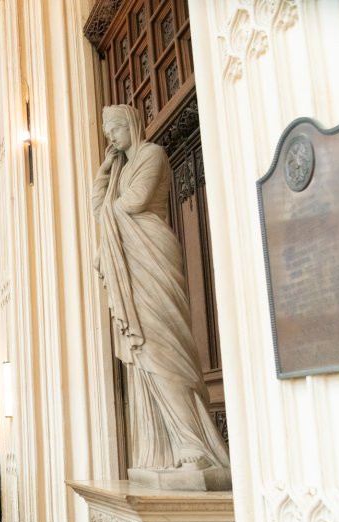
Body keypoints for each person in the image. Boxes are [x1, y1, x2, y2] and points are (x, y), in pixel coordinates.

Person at [92, 104, 230, 472]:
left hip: (152, 252)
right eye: (108, 135)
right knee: (145, 353)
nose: (112, 139)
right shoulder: (118, 168)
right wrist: (105, 173)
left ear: (132, 125)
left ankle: (193, 440)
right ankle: (165, 445)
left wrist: (109, 203)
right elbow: (99, 208)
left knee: (164, 344)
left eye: (116, 131)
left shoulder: (151, 155)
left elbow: (134, 203)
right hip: (131, 259)